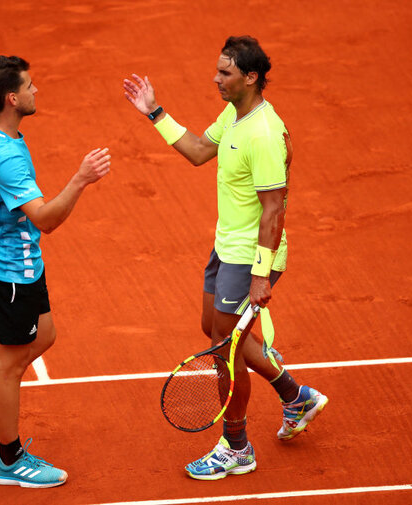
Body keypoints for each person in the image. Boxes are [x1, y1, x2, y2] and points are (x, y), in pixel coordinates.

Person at [123, 35, 328, 480]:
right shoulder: (236, 115)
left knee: (225, 349)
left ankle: (237, 447)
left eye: (225, 72)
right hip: (226, 246)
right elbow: (199, 151)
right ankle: (297, 396)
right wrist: (156, 114)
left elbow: (275, 208)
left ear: (250, 77)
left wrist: (261, 275)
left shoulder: (264, 135)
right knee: (213, 330)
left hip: (251, 256)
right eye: (218, 70)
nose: (216, 79)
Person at [0, 55, 110, 488]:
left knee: (45, 335)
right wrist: (81, 179)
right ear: (12, 98)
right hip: (10, 271)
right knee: (11, 365)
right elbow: (46, 220)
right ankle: (10, 460)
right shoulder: (7, 158)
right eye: (30, 86)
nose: (37, 91)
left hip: (18, 264)